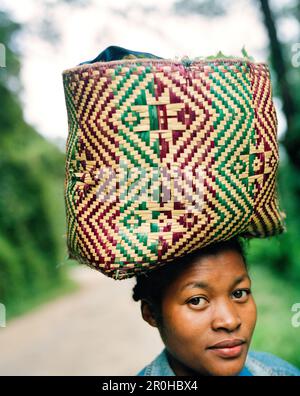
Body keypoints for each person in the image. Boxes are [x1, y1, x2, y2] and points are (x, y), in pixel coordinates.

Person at [132, 238, 300, 376]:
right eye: (196, 300)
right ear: (152, 313)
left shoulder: (281, 372)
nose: (230, 321)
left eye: (239, 293)